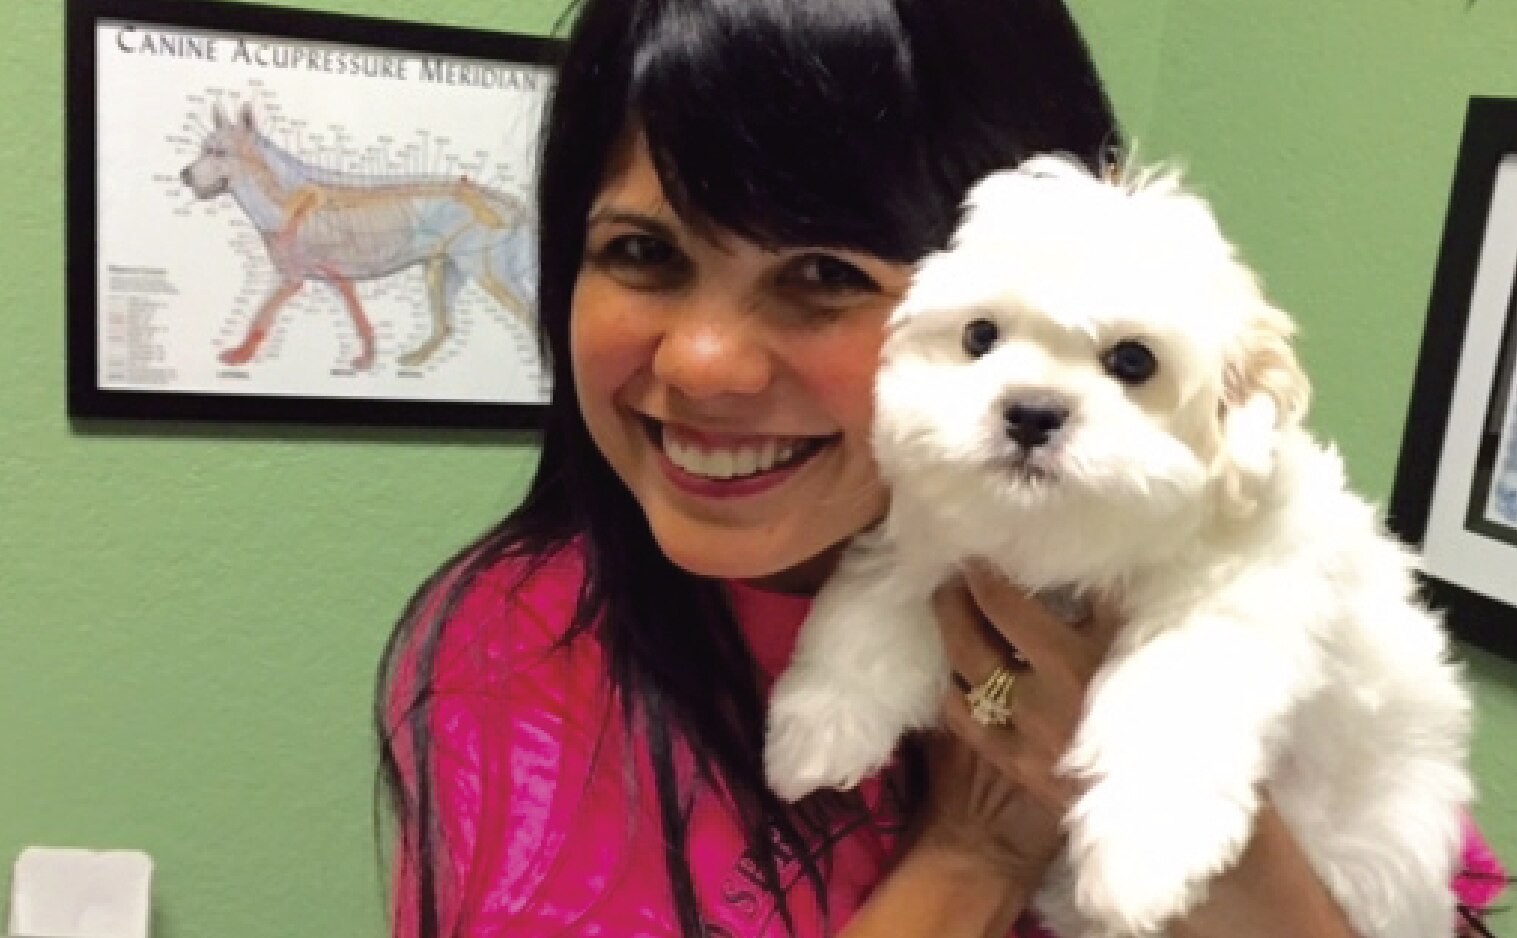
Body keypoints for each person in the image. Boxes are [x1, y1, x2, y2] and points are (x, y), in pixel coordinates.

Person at [377, 0, 1507, 936]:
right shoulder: (512, 652)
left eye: (820, 271)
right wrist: (972, 852)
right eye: (641, 252)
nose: (702, 362)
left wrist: (1218, 834)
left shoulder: (1247, 584)